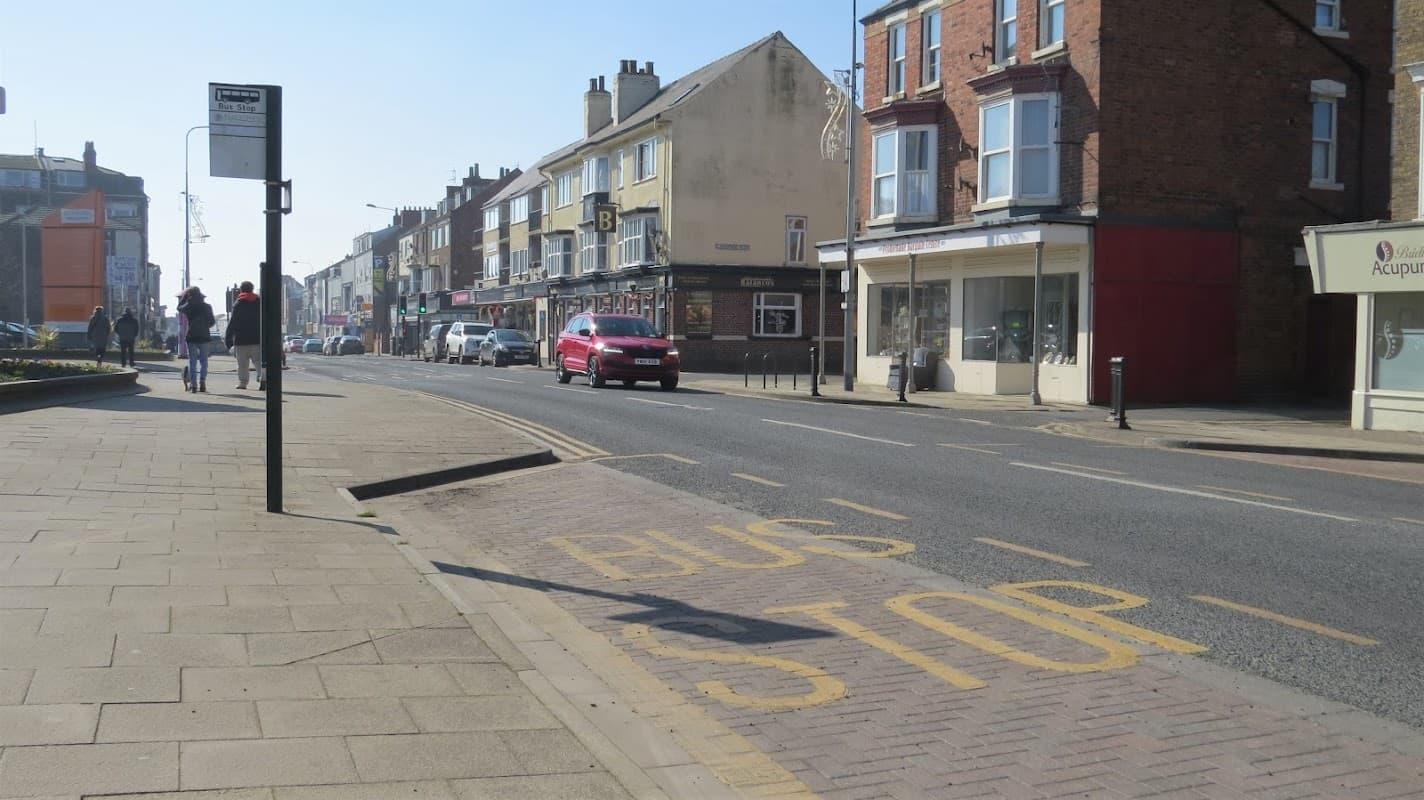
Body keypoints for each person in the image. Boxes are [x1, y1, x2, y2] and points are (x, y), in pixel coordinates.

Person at [225, 281, 264, 390]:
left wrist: (228, 340)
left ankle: (243, 383)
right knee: (258, 362)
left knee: (242, 364)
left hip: (241, 340)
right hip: (257, 338)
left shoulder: (238, 303)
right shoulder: (259, 302)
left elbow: (233, 323)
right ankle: (263, 378)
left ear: (241, 290)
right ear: (252, 289)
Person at [178, 286, 215, 393]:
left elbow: (179, 308)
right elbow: (212, 322)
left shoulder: (188, 306)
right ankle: (202, 381)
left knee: (192, 362)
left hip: (192, 336)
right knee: (204, 361)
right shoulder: (207, 306)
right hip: (204, 336)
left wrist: (184, 297)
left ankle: (194, 385)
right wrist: (205, 326)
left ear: (189, 295)